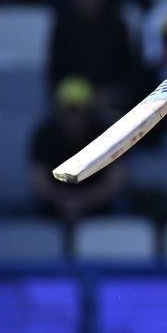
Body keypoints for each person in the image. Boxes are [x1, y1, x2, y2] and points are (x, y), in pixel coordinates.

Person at [28, 76, 126, 223]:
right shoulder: (45, 133)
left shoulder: (106, 132)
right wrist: (64, 200)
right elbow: (38, 179)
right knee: (27, 214)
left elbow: (116, 179)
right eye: (67, 111)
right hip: (54, 203)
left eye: (77, 111)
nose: (72, 118)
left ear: (89, 111)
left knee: (122, 212)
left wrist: (83, 201)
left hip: (99, 203)